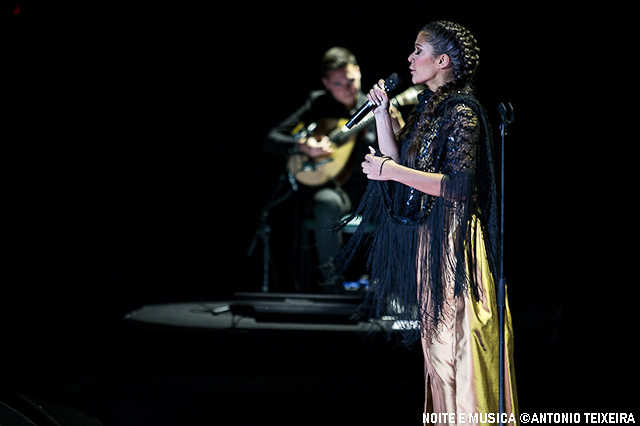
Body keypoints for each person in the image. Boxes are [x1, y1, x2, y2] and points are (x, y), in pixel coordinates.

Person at [333, 21, 518, 423]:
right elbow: (400, 162)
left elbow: (457, 189)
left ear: (443, 61)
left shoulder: (463, 111)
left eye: (418, 51)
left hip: (454, 241)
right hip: (428, 236)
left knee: (460, 345)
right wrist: (383, 116)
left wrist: (389, 171)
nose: (410, 58)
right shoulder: (428, 106)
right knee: (436, 349)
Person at [264, 47, 403, 291]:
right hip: (339, 192)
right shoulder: (319, 105)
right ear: (326, 83)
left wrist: (391, 118)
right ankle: (332, 287)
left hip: (374, 190)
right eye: (338, 83)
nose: (348, 88)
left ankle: (388, 288)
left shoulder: (376, 106)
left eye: (351, 80)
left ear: (359, 71)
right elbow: (270, 139)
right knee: (325, 201)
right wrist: (302, 146)